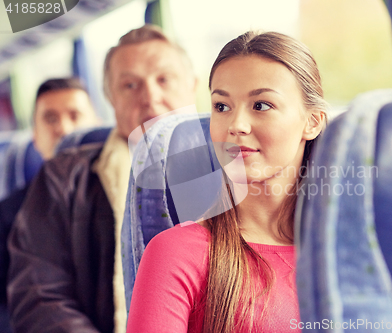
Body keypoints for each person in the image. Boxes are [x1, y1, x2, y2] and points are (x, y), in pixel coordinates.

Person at [126, 31, 327, 332]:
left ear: (312, 122)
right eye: (222, 107)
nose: (236, 125)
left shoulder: (350, 252)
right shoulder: (176, 254)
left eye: (261, 105)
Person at [7, 24, 197, 333]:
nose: (150, 96)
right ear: (109, 97)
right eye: (130, 85)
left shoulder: (239, 171)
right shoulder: (64, 177)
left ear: (193, 85)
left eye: (164, 79)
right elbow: (40, 294)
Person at [0, 77, 98, 333]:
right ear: (35, 135)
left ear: (97, 124)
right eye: (50, 119)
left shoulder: (126, 191)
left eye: (75, 115)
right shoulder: (8, 213)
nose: (64, 128)